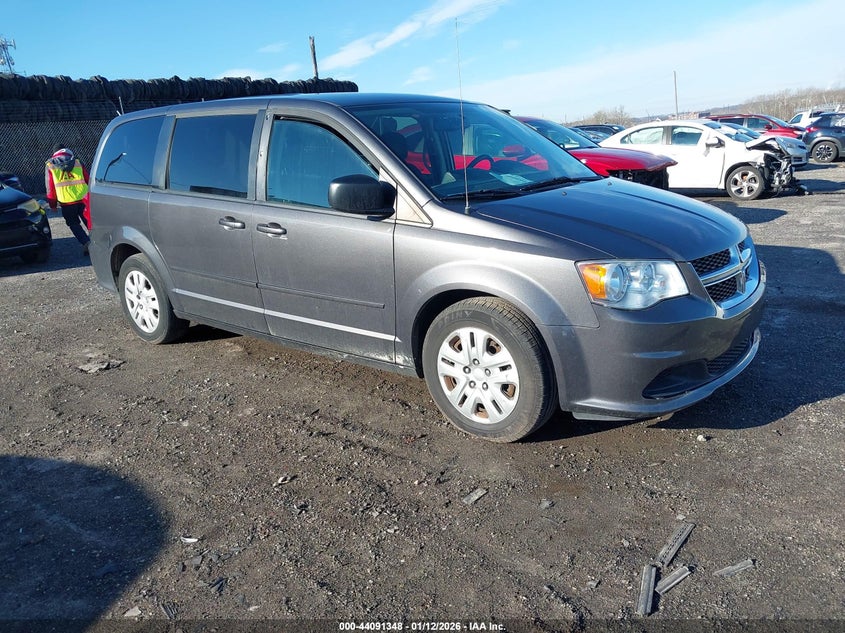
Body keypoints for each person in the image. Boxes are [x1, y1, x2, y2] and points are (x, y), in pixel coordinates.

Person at [45, 144, 91, 255]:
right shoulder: (77, 161)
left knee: (73, 224)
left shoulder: (50, 165)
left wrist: (52, 205)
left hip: (66, 202)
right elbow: (87, 179)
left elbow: (50, 187)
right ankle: (98, 243)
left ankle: (86, 243)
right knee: (89, 222)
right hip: (84, 199)